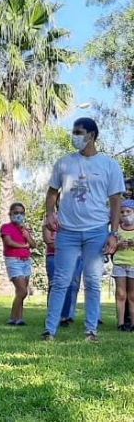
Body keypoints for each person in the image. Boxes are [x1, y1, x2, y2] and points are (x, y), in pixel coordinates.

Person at [44, 117, 125, 343]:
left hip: (97, 231)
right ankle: (50, 330)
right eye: (74, 132)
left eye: (78, 132)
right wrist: (50, 214)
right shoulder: (64, 163)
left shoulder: (109, 165)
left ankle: (91, 331)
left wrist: (113, 233)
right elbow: (52, 193)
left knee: (92, 281)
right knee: (61, 281)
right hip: (67, 231)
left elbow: (116, 202)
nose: (74, 136)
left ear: (92, 135)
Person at [1, 203, 36, 326]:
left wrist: (27, 235)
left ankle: (19, 318)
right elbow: (9, 242)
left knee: (20, 292)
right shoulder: (5, 227)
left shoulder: (25, 229)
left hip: (26, 261)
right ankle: (12, 317)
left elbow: (34, 245)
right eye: (16, 213)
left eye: (21, 213)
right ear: (10, 214)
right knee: (22, 291)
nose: (19, 215)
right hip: (13, 260)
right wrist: (24, 245)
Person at [113, 200, 134, 331]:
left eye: (128, 211)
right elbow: (109, 246)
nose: (125, 214)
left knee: (132, 295)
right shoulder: (116, 229)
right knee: (120, 294)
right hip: (119, 264)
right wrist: (118, 245)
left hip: (133, 265)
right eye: (122, 212)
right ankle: (121, 323)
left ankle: (132, 323)